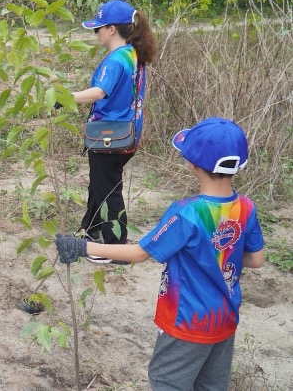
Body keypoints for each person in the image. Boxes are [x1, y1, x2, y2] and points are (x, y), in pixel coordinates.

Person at [54, 117, 265, 390]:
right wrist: (217, 254)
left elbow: (141, 253)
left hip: (187, 322)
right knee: (211, 385)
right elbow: (255, 259)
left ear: (192, 163)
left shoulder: (186, 213)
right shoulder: (246, 207)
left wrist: (81, 247)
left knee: (167, 381)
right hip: (224, 320)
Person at [68, 0, 156, 260]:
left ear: (111, 30)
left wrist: (65, 96)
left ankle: (115, 248)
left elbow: (100, 92)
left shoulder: (116, 60)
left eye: (98, 28)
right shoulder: (133, 54)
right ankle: (90, 230)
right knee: (100, 184)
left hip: (109, 137)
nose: (96, 33)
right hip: (126, 133)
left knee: (108, 191)